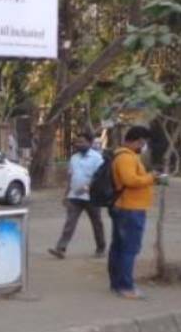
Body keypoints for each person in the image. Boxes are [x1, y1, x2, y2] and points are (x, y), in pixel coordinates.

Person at [107, 125, 166, 300]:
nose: (144, 146)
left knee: (119, 247)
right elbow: (130, 180)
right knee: (128, 249)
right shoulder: (126, 158)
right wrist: (152, 178)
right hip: (130, 208)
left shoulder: (127, 156)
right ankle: (125, 287)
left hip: (128, 207)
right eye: (143, 142)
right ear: (137, 141)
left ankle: (117, 284)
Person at [48, 132, 107, 259]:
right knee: (69, 223)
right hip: (74, 196)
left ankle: (101, 248)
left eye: (82, 142)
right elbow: (70, 177)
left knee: (97, 223)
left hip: (92, 197)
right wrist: (66, 194)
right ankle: (61, 248)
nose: (78, 144)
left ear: (90, 143)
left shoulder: (97, 158)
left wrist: (87, 188)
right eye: (77, 142)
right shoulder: (74, 158)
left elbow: (99, 177)